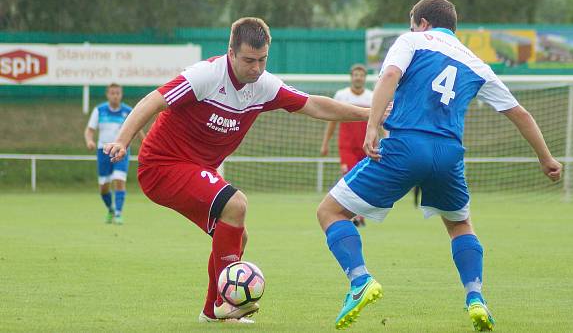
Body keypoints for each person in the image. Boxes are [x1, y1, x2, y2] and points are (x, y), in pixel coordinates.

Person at [316, 0, 562, 331]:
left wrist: (372, 126)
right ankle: (476, 298)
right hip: (448, 154)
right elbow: (520, 113)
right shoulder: (477, 64)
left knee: (329, 212)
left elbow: (389, 74)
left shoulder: (411, 41)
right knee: (460, 225)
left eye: (412, 22)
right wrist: (546, 158)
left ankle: (360, 281)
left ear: (422, 22)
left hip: (404, 146)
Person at [103, 17, 371, 324]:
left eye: (262, 60)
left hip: (198, 169)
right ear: (231, 52)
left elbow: (314, 105)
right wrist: (122, 141)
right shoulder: (205, 75)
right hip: (162, 166)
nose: (256, 69)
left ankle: (212, 312)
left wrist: (369, 113)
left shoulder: (264, 85)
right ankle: (225, 302)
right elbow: (153, 100)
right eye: (248, 60)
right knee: (236, 204)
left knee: (236, 238)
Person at [320, 63, 373, 227]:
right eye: (356, 75)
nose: (358, 77)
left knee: (365, 180)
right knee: (350, 178)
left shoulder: (372, 96)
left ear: (365, 78)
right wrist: (325, 143)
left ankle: (359, 214)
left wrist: (386, 139)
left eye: (361, 75)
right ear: (351, 77)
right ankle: (353, 215)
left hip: (366, 145)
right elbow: (332, 121)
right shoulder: (341, 96)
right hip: (347, 146)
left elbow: (377, 121)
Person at [84, 83, 144, 224]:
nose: (115, 95)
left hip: (121, 150)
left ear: (121, 94)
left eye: (117, 93)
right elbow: (89, 130)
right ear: (108, 94)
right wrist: (89, 141)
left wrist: (146, 145)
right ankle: (110, 209)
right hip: (103, 151)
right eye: (112, 93)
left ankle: (118, 213)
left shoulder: (128, 111)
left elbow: (138, 130)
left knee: (119, 179)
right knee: (103, 186)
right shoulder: (99, 110)